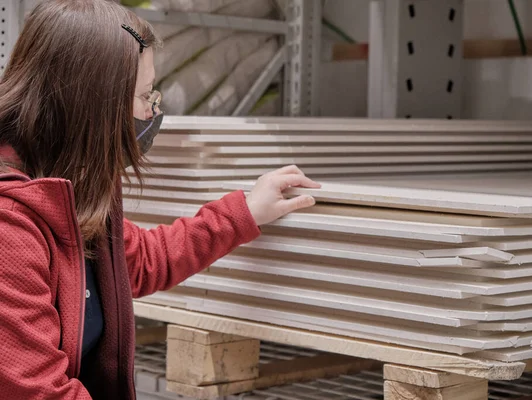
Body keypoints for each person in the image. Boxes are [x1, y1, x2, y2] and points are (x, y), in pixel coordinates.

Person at [0, 1, 320, 399]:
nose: (151, 110)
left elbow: (141, 261)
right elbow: (38, 392)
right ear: (94, 105)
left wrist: (244, 212)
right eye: (144, 94)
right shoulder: (9, 227)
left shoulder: (70, 190)